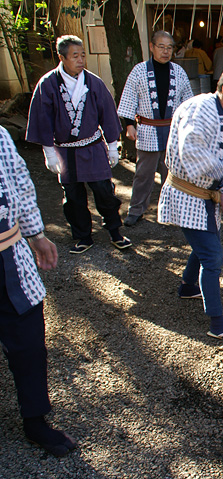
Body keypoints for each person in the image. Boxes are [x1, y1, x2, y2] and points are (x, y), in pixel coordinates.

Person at [157, 64, 223, 342]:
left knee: (206, 242)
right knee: (212, 256)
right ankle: (217, 322)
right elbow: (192, 154)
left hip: (206, 197)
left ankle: (188, 286)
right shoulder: (198, 109)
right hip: (186, 193)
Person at [0, 125, 76, 456]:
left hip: (10, 253)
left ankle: (35, 420)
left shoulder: (0, 135)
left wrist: (36, 235)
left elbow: (19, 182)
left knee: (30, 345)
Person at [26, 35, 130, 254]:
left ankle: (114, 231)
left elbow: (108, 115)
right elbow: (42, 120)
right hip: (65, 150)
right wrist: (49, 153)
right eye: (75, 56)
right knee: (73, 196)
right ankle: (83, 236)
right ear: (62, 57)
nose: (81, 60)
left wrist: (112, 145)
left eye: (83, 55)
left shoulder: (93, 82)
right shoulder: (47, 84)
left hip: (93, 147)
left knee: (104, 191)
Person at [118, 31, 193, 227]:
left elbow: (188, 103)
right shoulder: (139, 71)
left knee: (174, 175)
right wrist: (129, 125)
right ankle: (136, 210)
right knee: (143, 174)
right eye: (161, 46)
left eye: (169, 47)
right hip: (148, 130)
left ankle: (174, 211)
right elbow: (128, 99)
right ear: (152, 47)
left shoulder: (179, 72)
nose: (166, 51)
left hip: (172, 131)